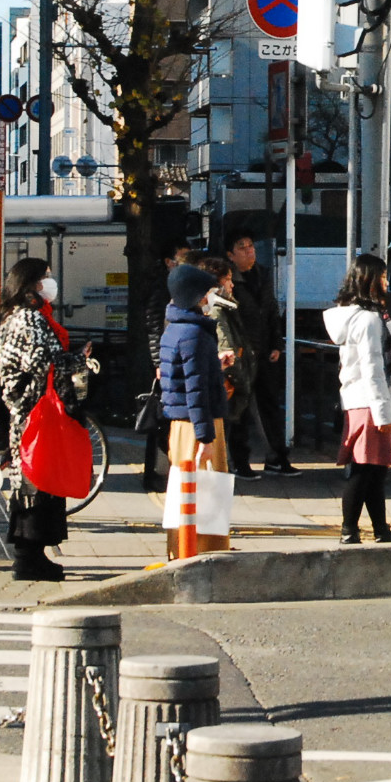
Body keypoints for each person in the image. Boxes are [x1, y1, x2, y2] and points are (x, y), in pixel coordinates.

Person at [0, 258, 92, 582]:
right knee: (38, 482)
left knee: (32, 482)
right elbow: (44, 364)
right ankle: (29, 559)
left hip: (26, 412)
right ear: (32, 283)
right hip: (36, 413)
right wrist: (79, 360)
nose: (50, 282)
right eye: (46, 277)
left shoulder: (14, 316)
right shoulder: (30, 319)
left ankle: (33, 556)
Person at [329, 253, 391, 544]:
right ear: (370, 281)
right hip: (371, 401)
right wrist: (383, 413)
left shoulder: (352, 315)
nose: (387, 282)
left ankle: (380, 530)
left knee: (374, 470)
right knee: (365, 471)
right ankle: (350, 530)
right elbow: (373, 367)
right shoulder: (369, 320)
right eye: (382, 277)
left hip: (360, 400)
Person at [158, 261, 230, 558]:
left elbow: (188, 378)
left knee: (183, 490)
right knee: (207, 487)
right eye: (208, 292)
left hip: (181, 424)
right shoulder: (195, 335)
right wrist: (206, 439)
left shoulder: (176, 328)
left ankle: (180, 548)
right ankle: (204, 553)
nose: (212, 297)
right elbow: (196, 391)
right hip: (199, 423)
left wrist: (215, 366)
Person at [227, 229, 297, 476]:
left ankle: (276, 457)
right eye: (242, 247)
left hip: (265, 351)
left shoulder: (263, 275)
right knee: (240, 410)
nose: (249, 251)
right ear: (231, 255)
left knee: (270, 405)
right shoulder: (229, 281)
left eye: (251, 246)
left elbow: (271, 312)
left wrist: (277, 344)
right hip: (241, 355)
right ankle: (240, 461)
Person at [199, 254, 270, 481]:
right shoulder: (218, 310)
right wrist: (241, 380)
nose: (232, 284)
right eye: (227, 279)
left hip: (227, 384)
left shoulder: (223, 307)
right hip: (226, 384)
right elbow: (226, 348)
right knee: (219, 444)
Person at [140, 240, 192, 495]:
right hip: (166, 361)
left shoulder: (180, 286)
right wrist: (158, 362)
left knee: (167, 418)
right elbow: (153, 325)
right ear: (169, 262)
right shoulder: (163, 287)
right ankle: (157, 473)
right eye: (182, 258)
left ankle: (164, 472)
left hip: (172, 359)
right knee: (161, 418)